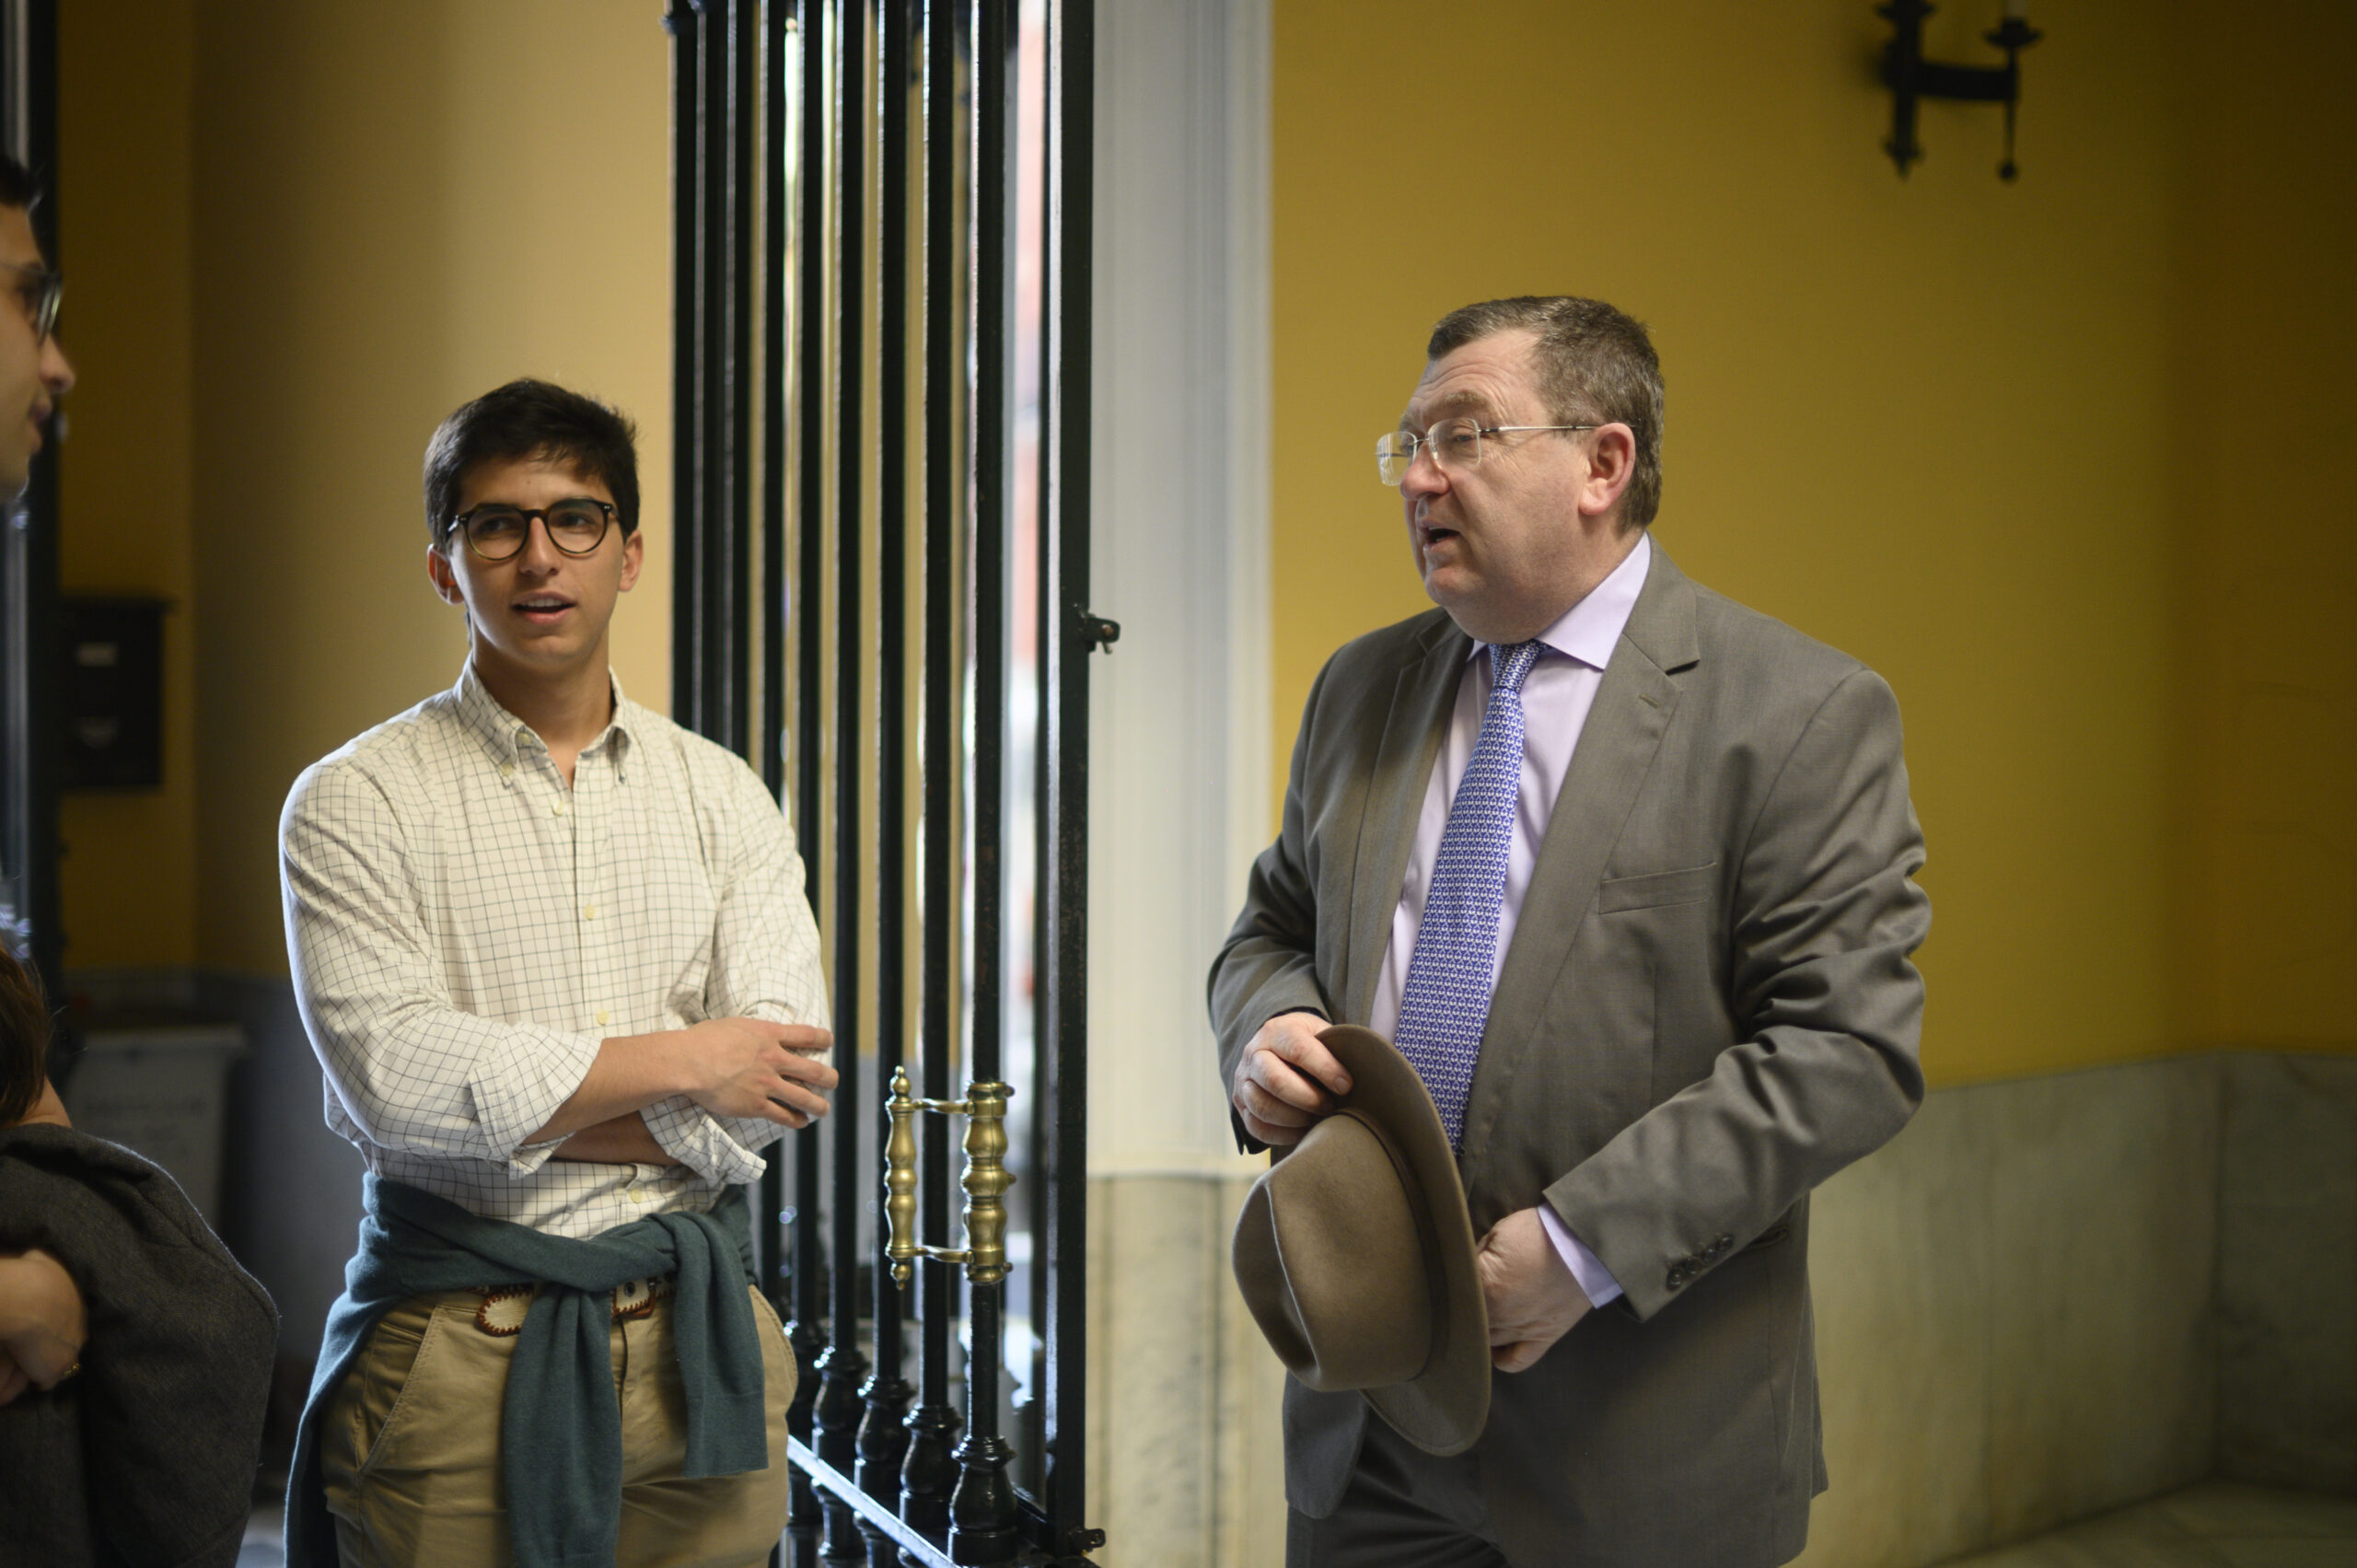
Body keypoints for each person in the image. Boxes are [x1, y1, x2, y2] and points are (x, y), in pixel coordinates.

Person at [1210, 296, 1930, 1568]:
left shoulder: (1798, 712)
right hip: (1364, 1430)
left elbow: (1848, 1049)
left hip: (1639, 1445)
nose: (1419, 477)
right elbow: (1273, 926)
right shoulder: (1359, 688)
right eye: (1408, 445)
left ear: (1603, 463)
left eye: (1464, 435)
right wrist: (1264, 1031)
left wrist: (1583, 1248)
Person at [280, 379, 838, 1568]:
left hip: (700, 1351)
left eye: (575, 519)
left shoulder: (723, 795)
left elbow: (779, 1078)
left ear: (627, 554)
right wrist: (691, 1063)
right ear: (446, 568)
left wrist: (512, 1118)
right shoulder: (353, 802)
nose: (540, 556)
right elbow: (398, 1084)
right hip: (451, 1352)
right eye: (497, 525)